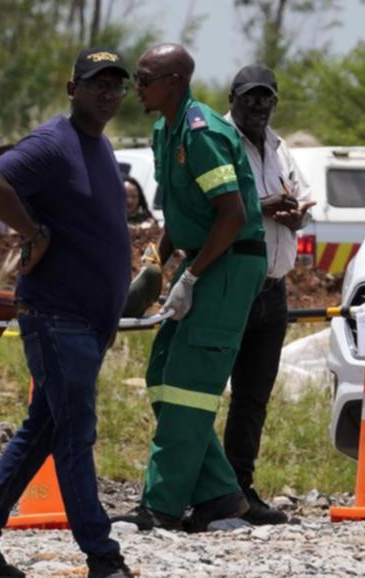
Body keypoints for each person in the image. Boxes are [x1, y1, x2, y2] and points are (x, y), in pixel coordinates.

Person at [0, 47, 133, 578]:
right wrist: (33, 231)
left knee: (44, 429)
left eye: (116, 84)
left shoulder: (101, 146)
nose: (108, 93)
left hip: (87, 321)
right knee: (75, 434)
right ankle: (102, 556)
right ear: (73, 90)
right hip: (56, 315)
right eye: (97, 84)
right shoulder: (54, 141)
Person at [115, 43, 267, 533]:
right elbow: (183, 210)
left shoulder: (201, 132)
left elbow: (232, 214)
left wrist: (194, 276)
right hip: (203, 258)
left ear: (175, 81)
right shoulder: (165, 129)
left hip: (228, 262)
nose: (135, 87)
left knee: (188, 386)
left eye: (144, 78)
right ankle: (220, 496)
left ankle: (161, 504)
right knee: (162, 374)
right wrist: (157, 260)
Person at [223, 65, 315, 525]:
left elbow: (303, 199)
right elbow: (211, 210)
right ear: (233, 97)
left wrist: (296, 214)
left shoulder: (279, 148)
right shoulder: (218, 141)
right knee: (201, 394)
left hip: (274, 290)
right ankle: (202, 492)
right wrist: (262, 208)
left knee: (253, 397)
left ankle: (240, 491)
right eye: (250, 98)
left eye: (267, 99)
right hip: (232, 288)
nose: (258, 106)